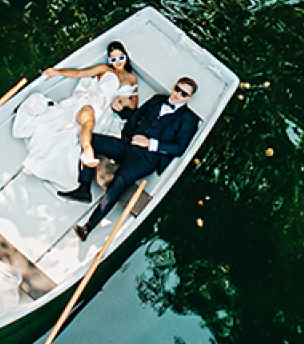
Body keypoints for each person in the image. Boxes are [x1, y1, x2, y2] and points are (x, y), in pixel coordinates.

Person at [60, 75, 201, 238]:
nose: (178, 94)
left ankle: (87, 227)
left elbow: (179, 148)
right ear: (173, 87)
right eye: (178, 89)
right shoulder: (157, 99)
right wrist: (120, 112)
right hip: (128, 145)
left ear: (188, 99)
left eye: (184, 94)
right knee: (90, 138)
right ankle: (84, 188)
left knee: (119, 181)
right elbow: (136, 115)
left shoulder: (189, 119)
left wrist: (150, 143)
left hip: (147, 159)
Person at [11, 41, 141, 188]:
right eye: (113, 59)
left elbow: (133, 105)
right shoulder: (104, 69)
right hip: (91, 101)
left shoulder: (132, 78)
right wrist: (57, 72)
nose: (117, 62)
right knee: (87, 118)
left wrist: (123, 101)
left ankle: (85, 155)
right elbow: (80, 73)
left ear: (125, 57)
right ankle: (87, 151)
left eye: (120, 58)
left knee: (82, 127)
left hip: (106, 112)